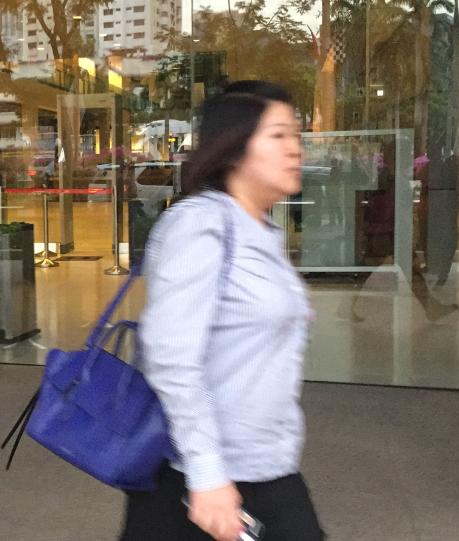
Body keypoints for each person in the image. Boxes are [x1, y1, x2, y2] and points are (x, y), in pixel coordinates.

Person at [123, 84, 325, 541]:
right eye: (277, 135)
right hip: (204, 479)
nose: (295, 148)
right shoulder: (201, 224)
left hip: (265, 463)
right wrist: (208, 474)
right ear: (234, 147)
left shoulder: (262, 231)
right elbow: (171, 356)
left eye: (296, 134)